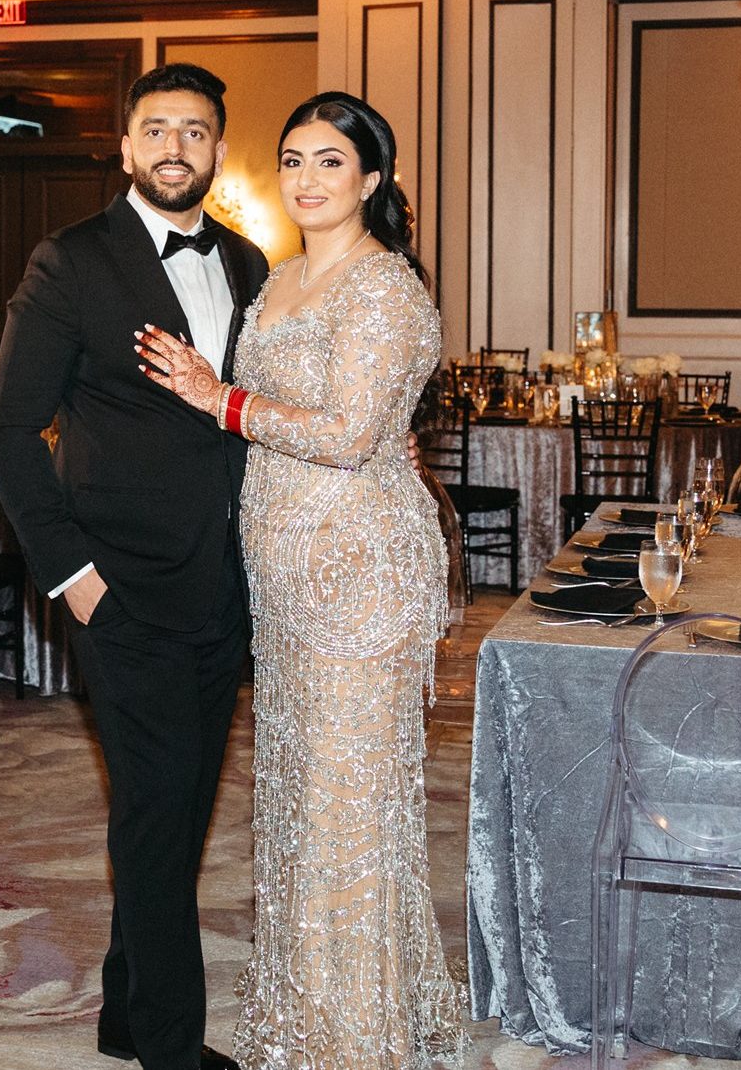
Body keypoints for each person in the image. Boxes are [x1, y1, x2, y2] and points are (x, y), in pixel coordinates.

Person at [136, 91, 469, 1069]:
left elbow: (351, 434)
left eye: (330, 161)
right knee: (293, 796)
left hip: (358, 567)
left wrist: (219, 397)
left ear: (371, 180)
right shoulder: (277, 280)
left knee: (344, 805)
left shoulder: (384, 287)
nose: (306, 179)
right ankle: (316, 1011)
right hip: (281, 573)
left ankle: (351, 1035)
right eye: (292, 160)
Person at [0, 63, 269, 1070]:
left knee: (179, 807)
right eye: (156, 129)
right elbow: (10, 429)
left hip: (223, 584)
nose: (174, 147)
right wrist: (72, 574)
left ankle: (124, 1011)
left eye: (194, 130)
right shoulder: (71, 260)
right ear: (125, 147)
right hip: (120, 589)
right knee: (155, 809)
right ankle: (169, 1047)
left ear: (217, 148)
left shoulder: (248, 262)